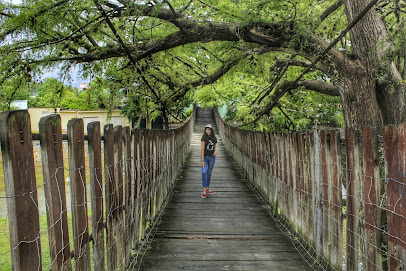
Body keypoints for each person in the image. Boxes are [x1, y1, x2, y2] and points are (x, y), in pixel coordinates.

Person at [200, 124, 218, 198]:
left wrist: (216, 151)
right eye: (206, 129)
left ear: (211, 130)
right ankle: (204, 189)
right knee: (204, 172)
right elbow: (202, 149)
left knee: (209, 173)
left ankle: (207, 188)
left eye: (209, 129)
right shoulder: (204, 138)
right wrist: (202, 160)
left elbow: (214, 147)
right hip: (205, 158)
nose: (208, 131)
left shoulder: (214, 138)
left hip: (212, 158)